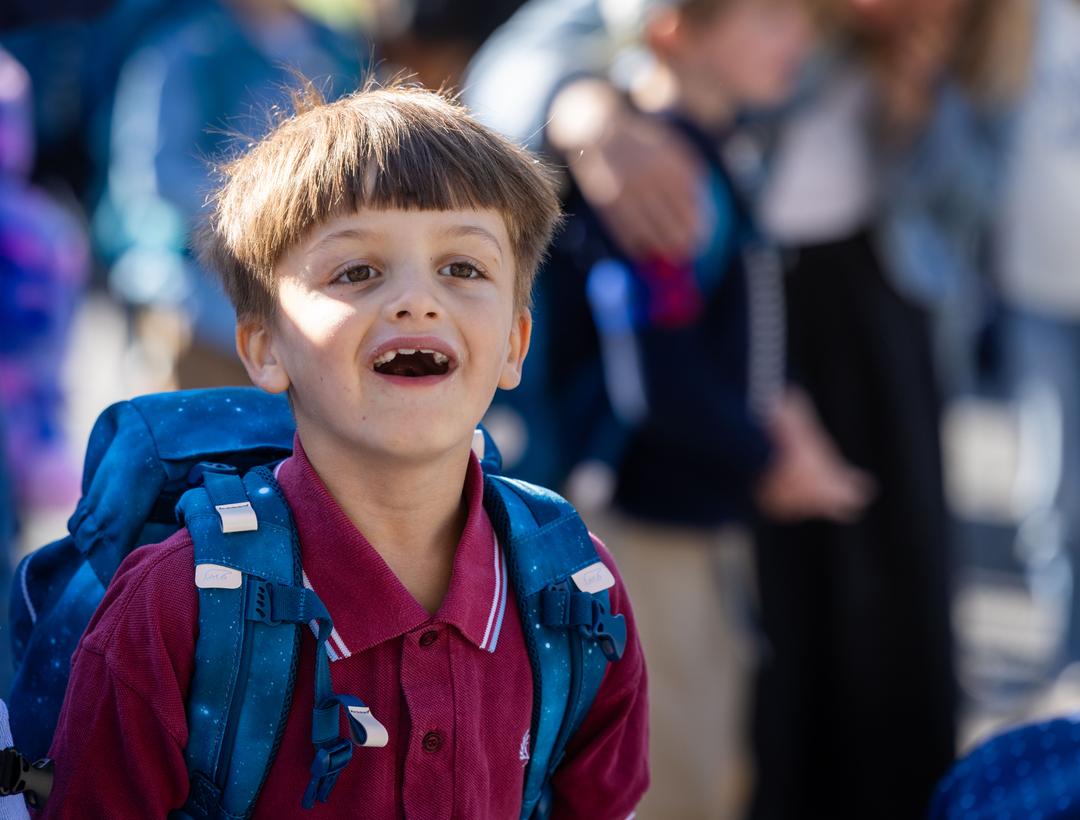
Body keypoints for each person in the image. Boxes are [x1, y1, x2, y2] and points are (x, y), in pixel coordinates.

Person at [42, 81, 648, 817]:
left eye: (463, 268)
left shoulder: (578, 593)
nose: (417, 300)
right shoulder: (173, 610)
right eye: (356, 271)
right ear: (264, 348)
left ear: (516, 344)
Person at [534, 1, 872, 817]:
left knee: (717, 759)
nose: (797, 40)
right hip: (648, 523)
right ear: (672, 30)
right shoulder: (661, 169)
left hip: (704, 510)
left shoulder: (723, 147)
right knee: (668, 773)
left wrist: (783, 424)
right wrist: (769, 458)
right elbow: (657, 377)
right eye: (766, 21)